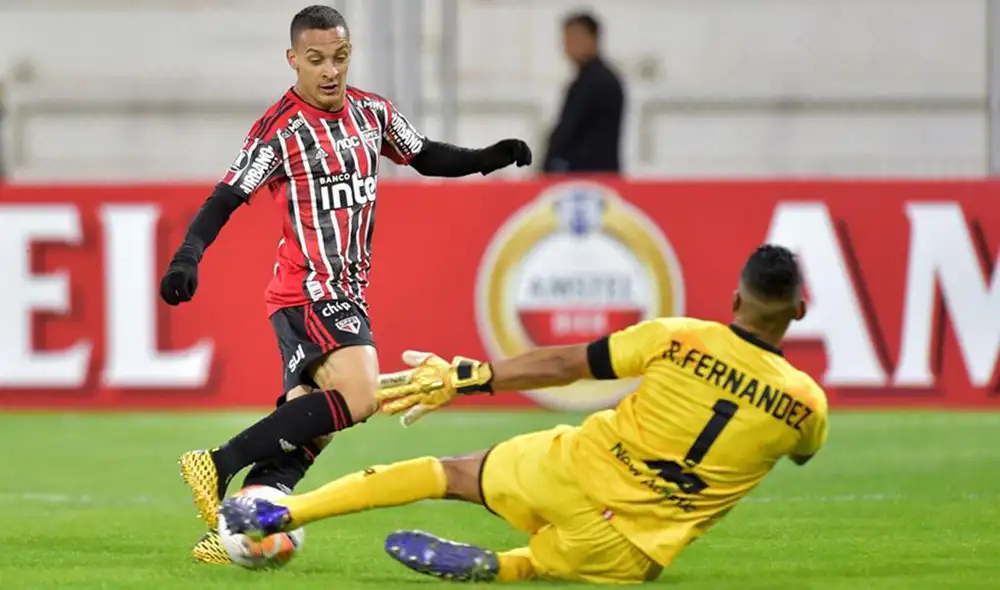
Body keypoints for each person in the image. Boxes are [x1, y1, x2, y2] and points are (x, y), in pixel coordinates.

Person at [160, 5, 532, 564]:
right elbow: (227, 196)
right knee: (362, 395)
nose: (330, 70)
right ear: (293, 61)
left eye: (339, 57)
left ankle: (242, 523)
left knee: (310, 420)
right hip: (308, 289)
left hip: (344, 291)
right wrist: (189, 255)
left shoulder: (371, 113)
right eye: (316, 60)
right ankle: (215, 461)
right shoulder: (280, 129)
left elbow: (424, 154)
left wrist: (486, 157)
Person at [219, 244, 830, 583]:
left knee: (445, 472)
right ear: (799, 311)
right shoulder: (805, 406)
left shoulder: (683, 338)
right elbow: (802, 452)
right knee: (555, 563)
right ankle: (512, 569)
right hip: (633, 547)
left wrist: (472, 377)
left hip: (571, 470)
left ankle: (284, 507)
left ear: (734, 299)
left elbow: (567, 364)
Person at [542, 11, 625, 175]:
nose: (568, 45)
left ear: (592, 38)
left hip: (587, 176)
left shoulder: (598, 82)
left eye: (574, 38)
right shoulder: (585, 80)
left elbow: (569, 132)